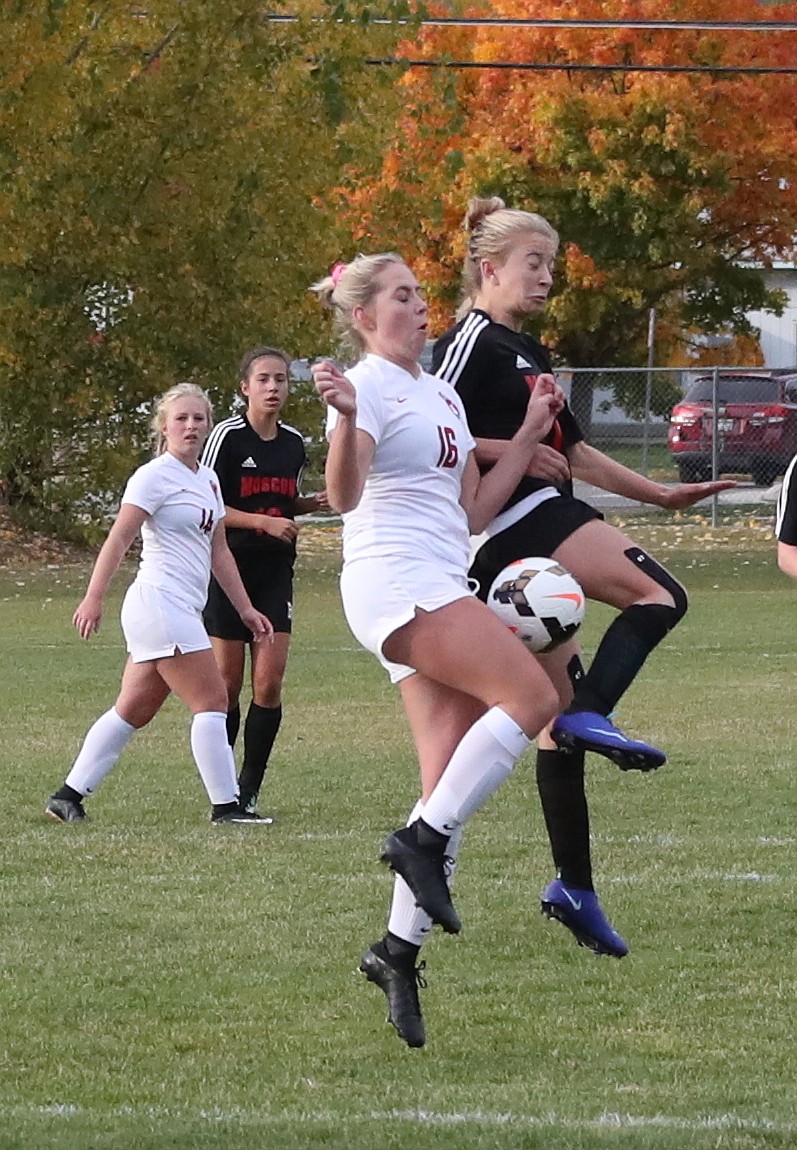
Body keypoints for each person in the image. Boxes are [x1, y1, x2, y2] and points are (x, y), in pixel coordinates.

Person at [433, 196, 735, 957]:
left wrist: (660, 492)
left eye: (550, 266)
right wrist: (512, 447)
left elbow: (573, 452)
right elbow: (429, 435)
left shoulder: (523, 348)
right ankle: (591, 711)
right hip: (509, 525)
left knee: (552, 729)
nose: (545, 278)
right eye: (533, 264)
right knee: (659, 594)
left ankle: (573, 886)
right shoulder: (467, 343)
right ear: (488, 267)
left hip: (538, 520)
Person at [310, 252, 566, 1049]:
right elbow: (344, 497)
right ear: (363, 317)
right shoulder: (369, 387)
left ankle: (395, 952)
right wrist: (348, 416)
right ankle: (414, 845)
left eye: (422, 295)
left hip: (438, 571)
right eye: (400, 297)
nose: (421, 308)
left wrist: (524, 436)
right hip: (396, 582)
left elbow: (473, 512)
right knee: (534, 701)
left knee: (444, 780)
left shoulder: (440, 392)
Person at [45, 382, 274, 826]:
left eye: (199, 418)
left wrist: (245, 608)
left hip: (180, 608)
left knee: (133, 709)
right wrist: (93, 597)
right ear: (164, 426)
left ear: (208, 424)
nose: (191, 426)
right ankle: (227, 808)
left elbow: (219, 552)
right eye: (181, 418)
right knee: (212, 699)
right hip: (158, 602)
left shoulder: (206, 478)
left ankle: (66, 796)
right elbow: (119, 538)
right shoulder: (153, 476)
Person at [201, 347, 328, 819]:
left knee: (268, 685)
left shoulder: (294, 442)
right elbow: (209, 505)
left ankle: (249, 787)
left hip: (275, 573)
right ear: (245, 388)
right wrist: (261, 523)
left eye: (281, 380)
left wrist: (310, 504)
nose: (273, 387)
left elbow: (283, 503)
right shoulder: (226, 438)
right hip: (229, 571)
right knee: (226, 687)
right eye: (263, 379)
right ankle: (222, 788)